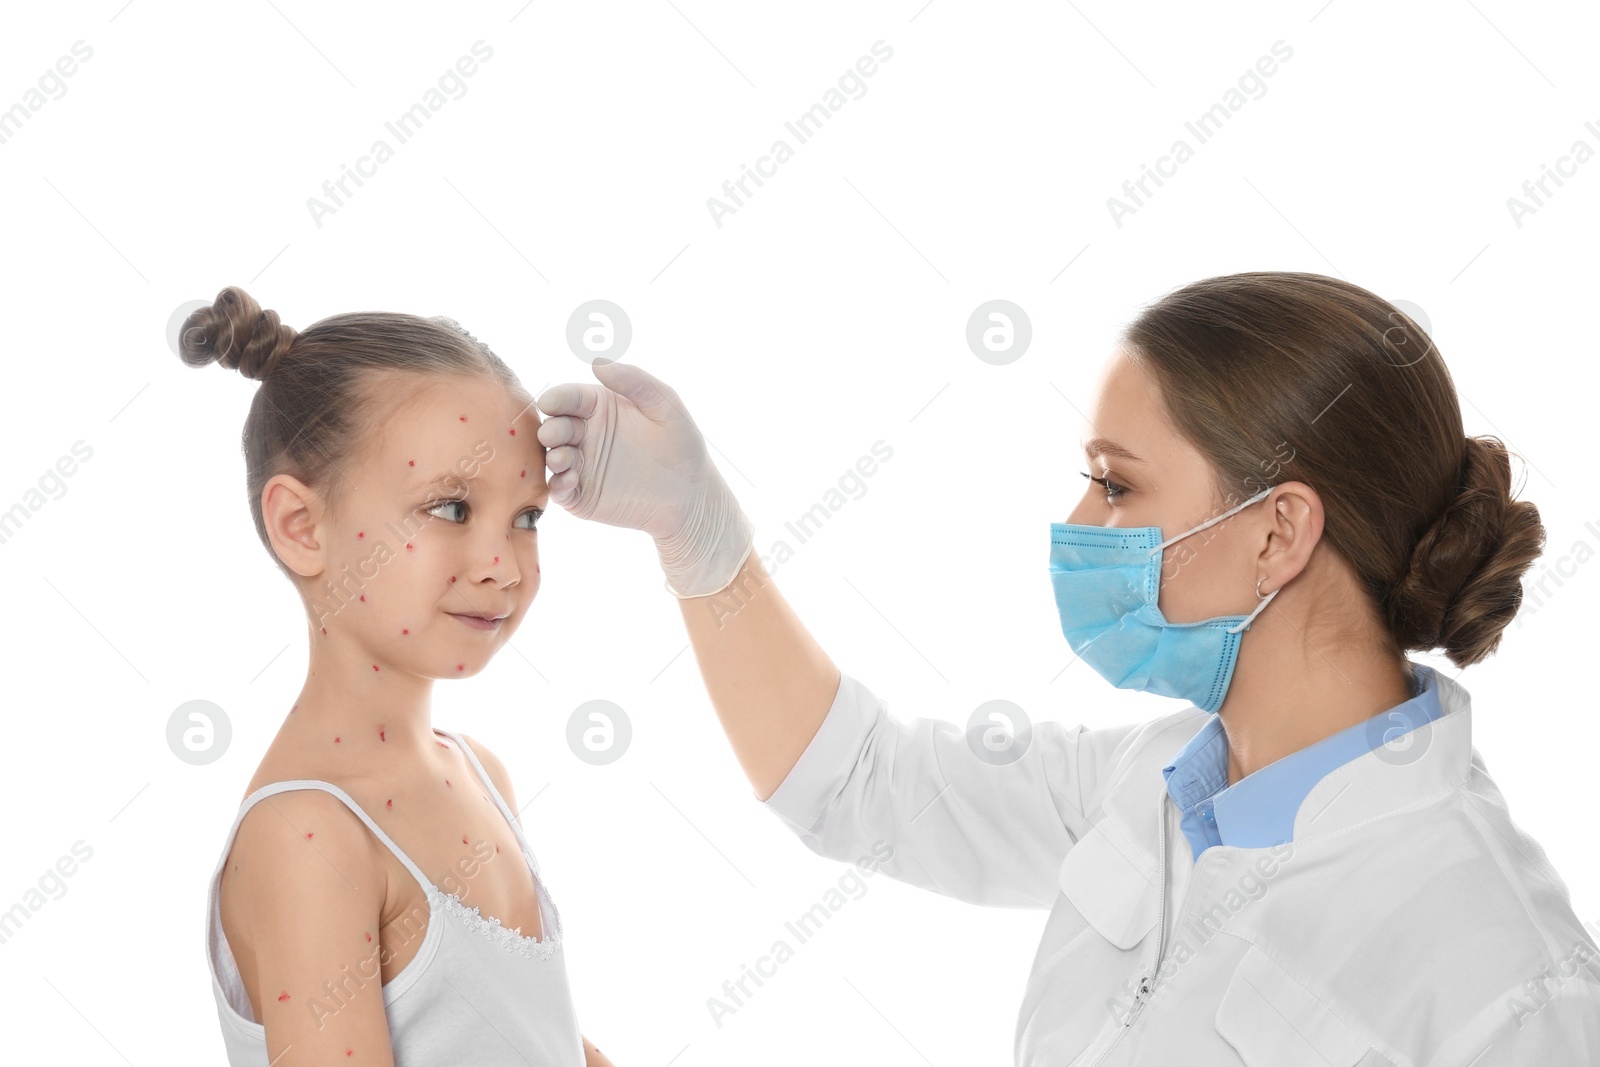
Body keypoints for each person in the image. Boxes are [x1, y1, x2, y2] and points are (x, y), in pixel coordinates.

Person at [534, 271, 1600, 1065]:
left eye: (1117, 485)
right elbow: (861, 784)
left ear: (1278, 531)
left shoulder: (1507, 969)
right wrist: (701, 537)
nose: (1080, 524)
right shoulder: (1159, 780)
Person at [183, 287, 614, 1066]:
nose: (502, 565)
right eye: (451, 508)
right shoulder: (308, 838)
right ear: (302, 527)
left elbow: (530, 1036)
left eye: (526, 517)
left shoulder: (481, 773)